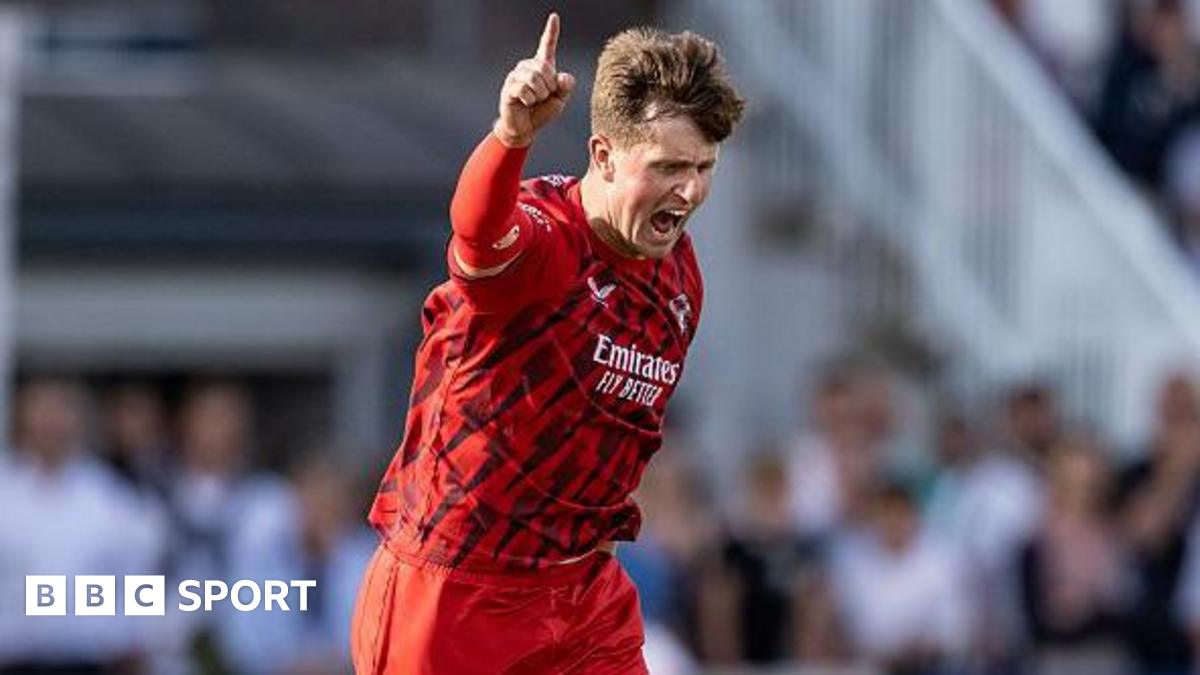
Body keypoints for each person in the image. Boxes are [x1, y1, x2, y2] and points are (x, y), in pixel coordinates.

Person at [351, 12, 744, 674]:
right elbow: (478, 236)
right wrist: (509, 137)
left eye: (704, 166)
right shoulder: (547, 243)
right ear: (603, 155)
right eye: (669, 166)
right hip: (458, 592)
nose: (692, 189)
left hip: (583, 594)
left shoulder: (678, 274)